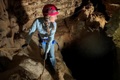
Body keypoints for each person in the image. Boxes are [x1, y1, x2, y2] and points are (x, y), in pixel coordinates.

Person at [22, 4, 59, 68]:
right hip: (43, 41)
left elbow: (50, 41)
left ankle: (53, 66)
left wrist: (46, 53)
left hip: (50, 42)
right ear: (49, 16)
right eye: (55, 15)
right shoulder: (37, 21)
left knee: (52, 55)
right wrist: (27, 42)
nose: (56, 17)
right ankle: (47, 60)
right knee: (46, 53)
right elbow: (31, 32)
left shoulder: (54, 25)